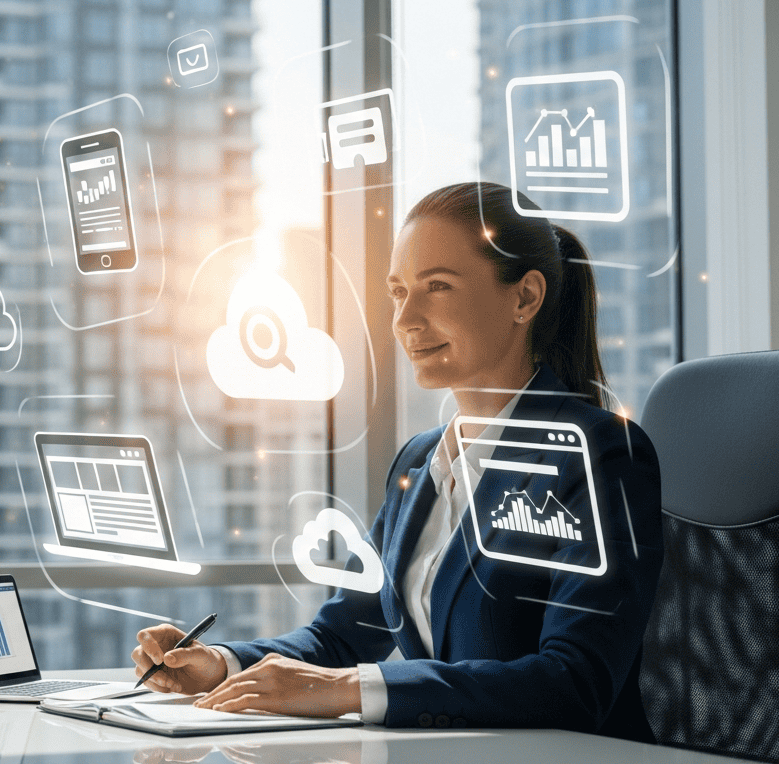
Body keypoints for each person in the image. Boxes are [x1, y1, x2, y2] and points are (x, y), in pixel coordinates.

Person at [131, 182, 663, 741]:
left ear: (525, 298)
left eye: (438, 287)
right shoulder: (420, 461)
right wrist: (221, 664)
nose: (405, 318)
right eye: (398, 292)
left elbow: (574, 683)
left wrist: (348, 690)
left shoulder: (599, 455)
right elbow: (340, 637)